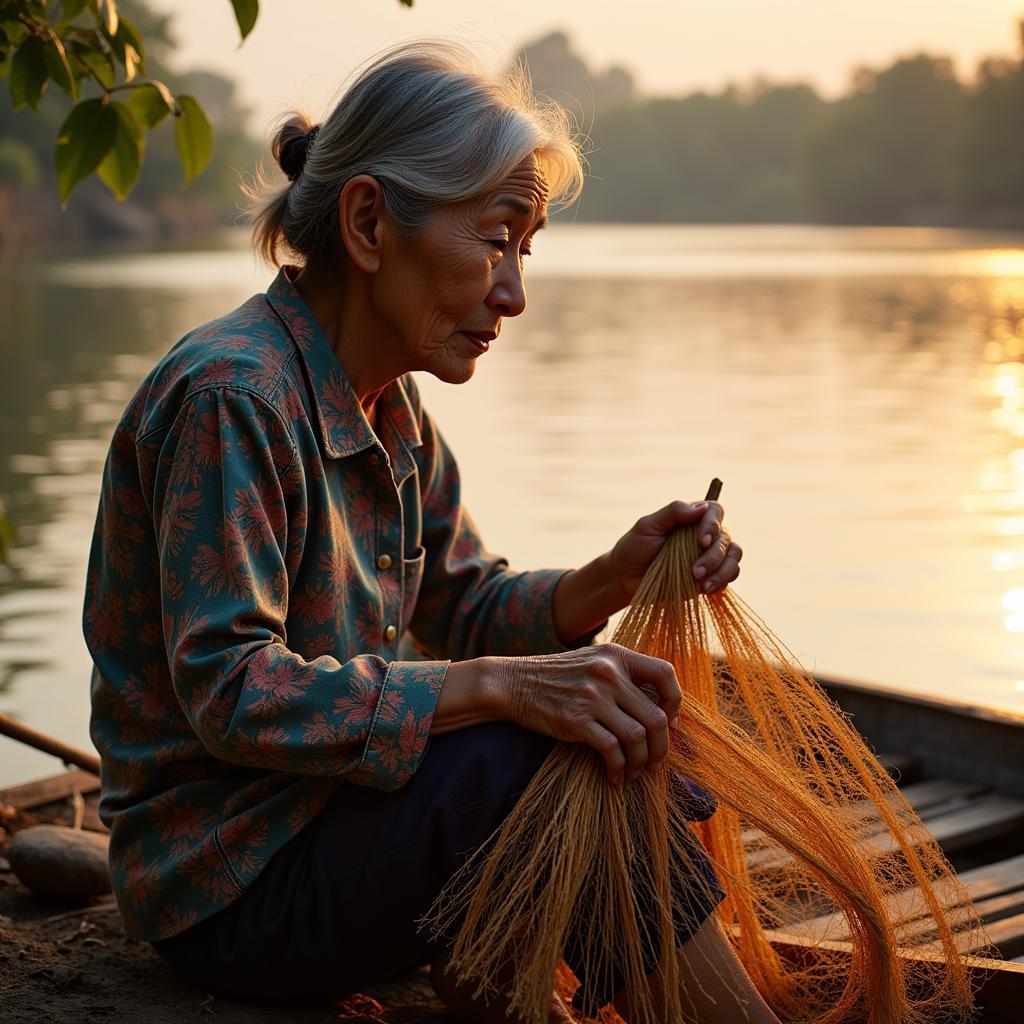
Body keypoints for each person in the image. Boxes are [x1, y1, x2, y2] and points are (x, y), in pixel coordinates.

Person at [83, 41, 772, 1023]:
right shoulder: (233, 396)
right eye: (495, 239)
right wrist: (503, 688)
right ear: (369, 223)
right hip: (232, 887)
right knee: (519, 755)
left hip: (341, 826)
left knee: (621, 725)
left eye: (522, 250)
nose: (512, 293)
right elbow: (231, 691)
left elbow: (469, 606)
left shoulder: (392, 413)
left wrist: (621, 571)